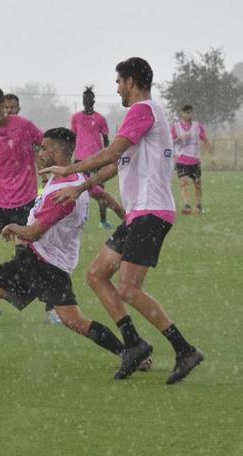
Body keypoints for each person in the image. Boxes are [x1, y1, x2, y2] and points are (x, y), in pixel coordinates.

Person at [40, 57, 204, 384]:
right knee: (97, 274)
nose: (116, 88)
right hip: (138, 214)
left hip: (151, 210)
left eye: (118, 82)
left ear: (131, 81)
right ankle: (134, 344)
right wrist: (81, 187)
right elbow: (119, 164)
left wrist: (69, 170)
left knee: (129, 288)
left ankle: (184, 349)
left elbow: (113, 153)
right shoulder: (143, 116)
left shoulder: (142, 110)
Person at [0, 128, 137, 371]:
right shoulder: (73, 179)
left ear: (57, 151)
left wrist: (13, 226)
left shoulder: (62, 193)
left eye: (44, 148)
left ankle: (129, 351)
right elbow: (100, 191)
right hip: (34, 261)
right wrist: (122, 213)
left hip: (46, 265)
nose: (40, 152)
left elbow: (35, 232)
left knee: (74, 320)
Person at [0, 86, 43, 325]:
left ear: (3, 107)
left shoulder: (23, 126)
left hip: (25, 200)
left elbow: (46, 146)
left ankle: (54, 305)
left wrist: (49, 170)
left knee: (32, 257)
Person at [71, 86, 115, 230]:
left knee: (100, 191)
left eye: (89, 99)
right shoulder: (76, 118)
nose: (86, 101)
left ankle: (103, 221)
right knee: (76, 190)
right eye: (84, 99)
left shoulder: (100, 118)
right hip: (80, 160)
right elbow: (73, 138)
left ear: (93, 100)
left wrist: (107, 157)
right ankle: (75, 221)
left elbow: (106, 139)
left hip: (97, 160)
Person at [172, 104, 215, 215]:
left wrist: (212, 156)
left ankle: (198, 205)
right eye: (186, 112)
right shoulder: (176, 127)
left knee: (197, 183)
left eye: (190, 112)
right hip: (181, 159)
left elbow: (205, 140)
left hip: (194, 160)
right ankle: (187, 205)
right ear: (181, 113)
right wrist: (178, 139)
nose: (188, 114)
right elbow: (168, 142)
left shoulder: (198, 126)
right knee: (183, 182)